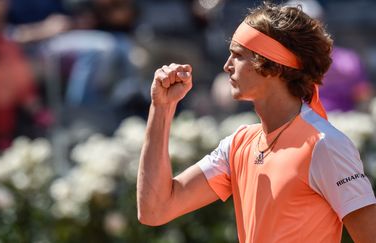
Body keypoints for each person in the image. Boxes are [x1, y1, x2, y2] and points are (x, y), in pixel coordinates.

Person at [137, 2, 376, 243]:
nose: (227, 66)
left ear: (271, 66)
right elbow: (155, 210)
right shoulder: (239, 144)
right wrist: (162, 108)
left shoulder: (325, 146)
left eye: (238, 55)